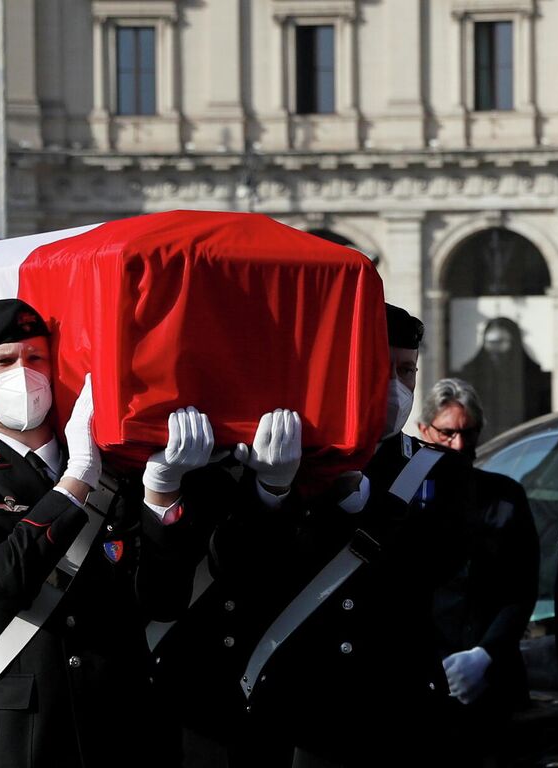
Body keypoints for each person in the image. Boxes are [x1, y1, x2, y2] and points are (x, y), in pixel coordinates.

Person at [0, 299, 212, 767]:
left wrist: (161, 495)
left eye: (35, 359)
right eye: (3, 362)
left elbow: (162, 601)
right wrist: (76, 478)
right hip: (15, 737)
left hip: (117, 729)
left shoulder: (116, 477)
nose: (23, 375)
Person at [155, 303, 471, 767]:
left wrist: (355, 504)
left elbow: (434, 565)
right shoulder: (285, 457)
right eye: (380, 369)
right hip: (296, 705)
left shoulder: (439, 470)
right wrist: (272, 492)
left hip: (394, 704)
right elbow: (244, 570)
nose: (395, 387)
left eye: (407, 372)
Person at [417, 377, 539, 767]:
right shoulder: (404, 497)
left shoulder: (505, 495)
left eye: (467, 433)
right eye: (447, 432)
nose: (457, 444)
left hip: (493, 675)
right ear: (424, 431)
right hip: (423, 681)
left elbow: (522, 587)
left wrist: (485, 655)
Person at [458, 317, 552, 438]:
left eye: (501, 342)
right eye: (491, 342)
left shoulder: (530, 373)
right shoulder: (472, 372)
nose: (495, 349)